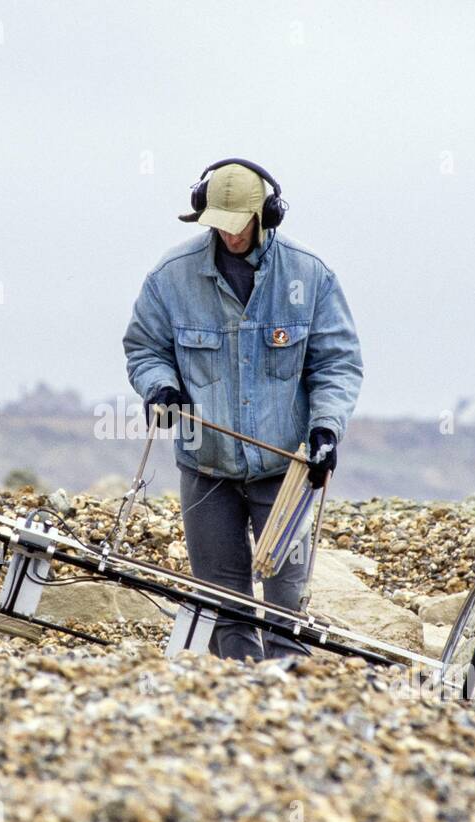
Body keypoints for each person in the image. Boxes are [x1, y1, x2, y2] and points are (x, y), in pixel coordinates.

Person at [122, 159, 363, 661]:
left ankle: (289, 702)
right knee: (223, 606)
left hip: (286, 470)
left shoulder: (311, 276)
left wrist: (326, 429)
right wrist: (161, 388)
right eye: (218, 225)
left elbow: (337, 364)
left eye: (239, 225)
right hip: (204, 466)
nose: (228, 236)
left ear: (266, 216)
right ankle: (241, 701)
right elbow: (144, 349)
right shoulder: (170, 277)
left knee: (286, 611)